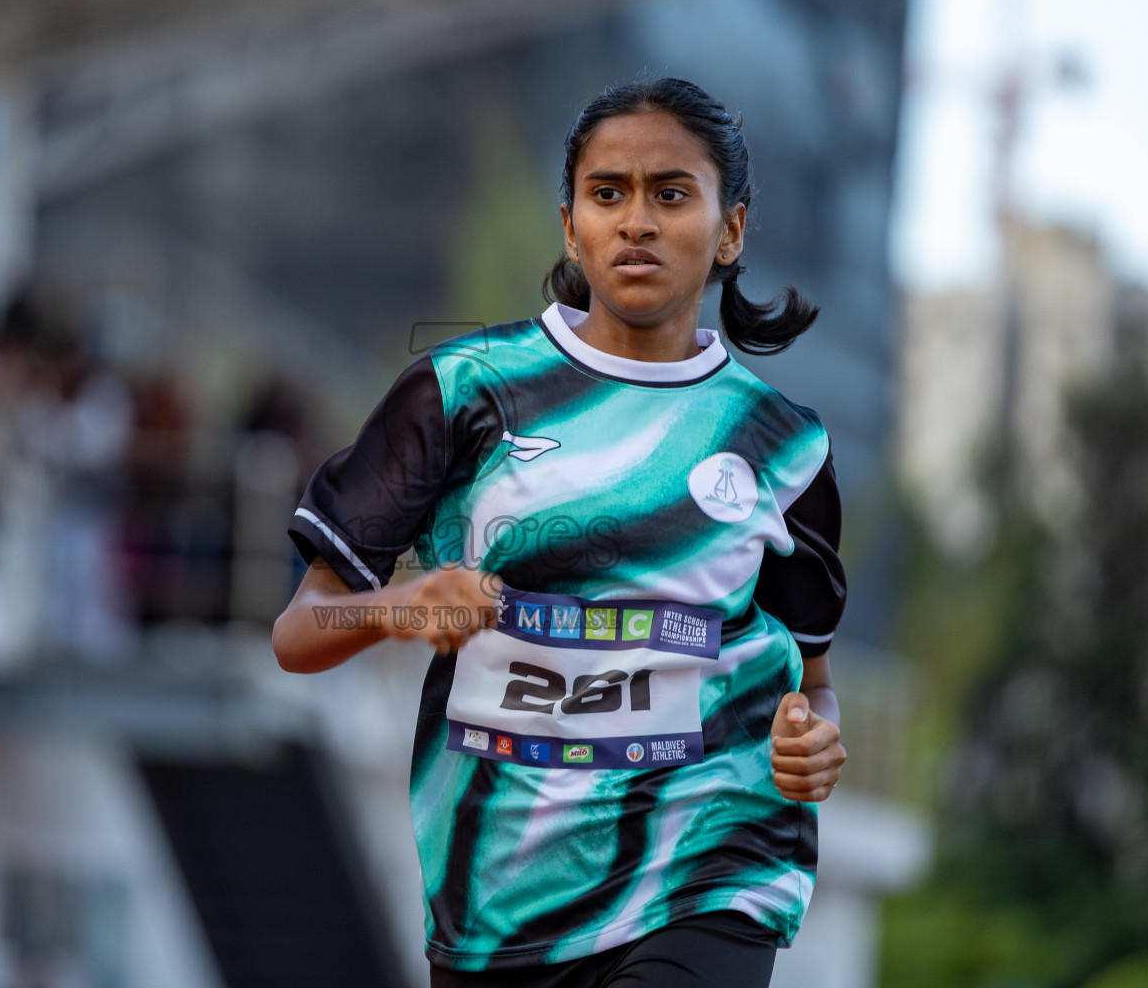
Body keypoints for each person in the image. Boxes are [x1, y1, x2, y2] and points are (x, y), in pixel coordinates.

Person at [274, 77, 847, 987]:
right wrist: (400, 606)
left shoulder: (786, 448)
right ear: (571, 225)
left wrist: (815, 739)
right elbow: (301, 632)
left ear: (730, 230)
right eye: (608, 193)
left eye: (672, 194)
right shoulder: (463, 391)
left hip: (710, 865)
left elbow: (812, 687)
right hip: (502, 902)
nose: (638, 221)